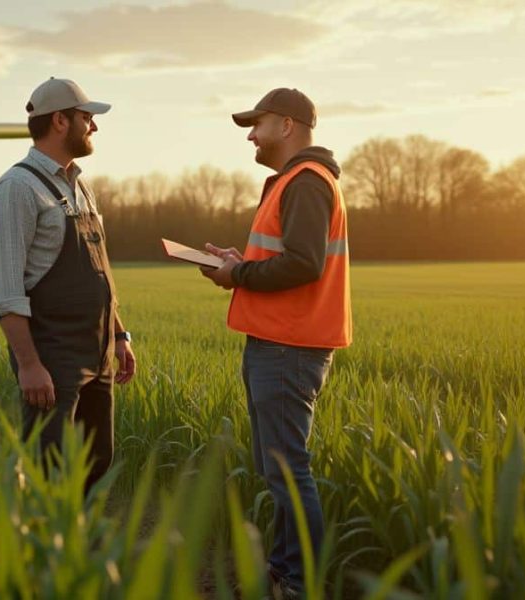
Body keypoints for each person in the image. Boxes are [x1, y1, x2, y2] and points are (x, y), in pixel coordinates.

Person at [199, 88, 352, 595]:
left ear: (287, 126)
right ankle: (287, 570)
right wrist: (237, 262)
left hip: (290, 346)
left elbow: (304, 264)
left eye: (257, 124)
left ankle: (299, 582)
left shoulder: (306, 182)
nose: (250, 135)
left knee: (288, 469)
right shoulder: (294, 181)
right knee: (278, 467)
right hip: (278, 342)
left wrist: (237, 274)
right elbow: (287, 257)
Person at [0, 78, 137, 492]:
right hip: (52, 357)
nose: (94, 127)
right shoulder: (17, 188)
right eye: (87, 118)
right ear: (59, 121)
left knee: (97, 460)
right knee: (48, 466)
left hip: (98, 353)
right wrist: (30, 365)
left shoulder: (80, 185)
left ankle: (82, 531)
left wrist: (118, 335)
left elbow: (99, 268)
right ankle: (39, 533)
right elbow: (5, 291)